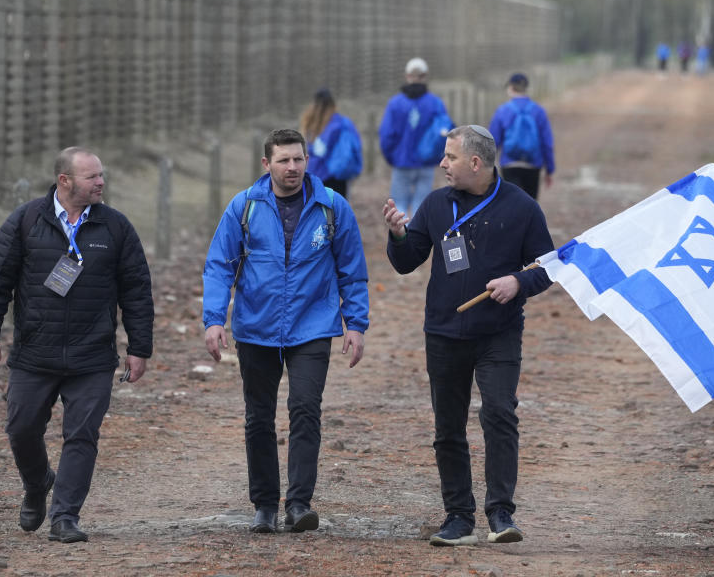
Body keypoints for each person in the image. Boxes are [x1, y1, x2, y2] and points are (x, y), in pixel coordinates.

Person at [382, 125, 554, 547]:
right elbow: (407, 262)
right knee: (447, 429)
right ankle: (458, 516)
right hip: (443, 332)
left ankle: (500, 513)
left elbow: (546, 267)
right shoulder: (437, 204)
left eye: (450, 157)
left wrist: (517, 281)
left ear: (475, 163)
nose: (442, 164)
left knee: (498, 414)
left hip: (499, 333)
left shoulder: (522, 208)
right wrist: (399, 235)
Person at [0, 146, 154, 543]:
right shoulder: (25, 221)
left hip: (92, 356)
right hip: (34, 353)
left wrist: (139, 348)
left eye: (101, 175)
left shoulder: (116, 228)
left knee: (82, 435)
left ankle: (65, 516)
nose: (101, 182)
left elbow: (137, 291)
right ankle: (38, 484)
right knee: (21, 428)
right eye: (92, 177)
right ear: (64, 181)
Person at [203, 128, 369, 534]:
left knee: (305, 409)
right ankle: (264, 504)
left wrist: (356, 324)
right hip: (256, 328)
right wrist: (213, 319)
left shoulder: (332, 207)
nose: (292, 167)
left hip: (312, 327)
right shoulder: (244, 207)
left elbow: (352, 270)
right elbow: (219, 265)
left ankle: (298, 504)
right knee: (258, 417)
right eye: (283, 160)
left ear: (307, 161)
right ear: (267, 165)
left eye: (298, 159)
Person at [379, 57, 453, 218]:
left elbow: (386, 135)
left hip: (402, 162)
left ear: (407, 76)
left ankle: (401, 238)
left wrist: (391, 157)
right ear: (425, 76)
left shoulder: (395, 104)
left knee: (399, 205)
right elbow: (446, 130)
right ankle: (416, 238)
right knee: (421, 204)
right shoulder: (435, 103)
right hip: (426, 162)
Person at [488, 73, 555, 200]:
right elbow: (547, 143)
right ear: (526, 88)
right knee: (530, 204)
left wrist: (486, 167)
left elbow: (492, 141)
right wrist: (549, 169)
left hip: (510, 163)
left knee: (512, 202)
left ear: (511, 88)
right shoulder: (538, 111)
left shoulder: (503, 110)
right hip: (533, 164)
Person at [299, 87, 363, 198]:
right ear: (332, 103)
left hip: (316, 175)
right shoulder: (342, 123)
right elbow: (355, 146)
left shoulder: (310, 124)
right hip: (338, 175)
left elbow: (310, 149)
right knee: (338, 210)